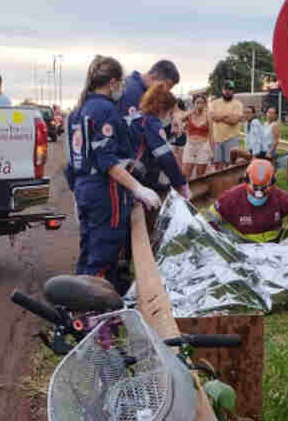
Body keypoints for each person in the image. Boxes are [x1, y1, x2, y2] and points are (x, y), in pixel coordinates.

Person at [65, 55, 162, 294]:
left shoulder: (79, 111)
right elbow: (108, 161)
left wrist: (78, 193)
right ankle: (93, 318)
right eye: (120, 84)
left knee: (88, 251)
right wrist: (138, 188)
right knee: (103, 252)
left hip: (84, 187)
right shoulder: (105, 110)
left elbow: (73, 160)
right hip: (104, 189)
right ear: (112, 83)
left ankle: (77, 310)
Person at [201, 159, 288, 253]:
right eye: (255, 188)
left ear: (272, 182)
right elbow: (207, 218)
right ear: (246, 181)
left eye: (264, 188)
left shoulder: (280, 196)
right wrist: (220, 240)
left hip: (274, 245)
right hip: (241, 246)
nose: (259, 194)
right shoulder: (232, 197)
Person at [127, 81, 190, 198]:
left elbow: (152, 150)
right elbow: (164, 157)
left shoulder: (140, 119)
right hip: (135, 176)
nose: (169, 116)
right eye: (170, 112)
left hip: (137, 174)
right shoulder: (151, 122)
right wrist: (181, 184)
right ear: (161, 108)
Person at [209, 81, 245, 167]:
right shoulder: (214, 103)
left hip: (231, 138)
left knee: (230, 165)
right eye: (226, 89)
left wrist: (219, 118)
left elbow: (234, 121)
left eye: (230, 89)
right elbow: (214, 118)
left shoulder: (238, 104)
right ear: (222, 90)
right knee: (217, 165)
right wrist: (227, 115)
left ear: (233, 91)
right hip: (217, 139)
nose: (228, 91)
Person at [182, 94, 213, 179]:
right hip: (190, 146)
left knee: (200, 176)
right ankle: (186, 192)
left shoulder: (208, 116)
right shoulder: (189, 114)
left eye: (202, 103)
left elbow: (211, 135)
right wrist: (191, 112)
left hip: (203, 146)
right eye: (197, 102)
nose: (200, 105)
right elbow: (180, 119)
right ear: (193, 103)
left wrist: (212, 151)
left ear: (205, 104)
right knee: (185, 174)